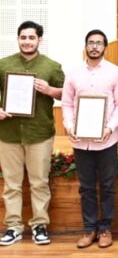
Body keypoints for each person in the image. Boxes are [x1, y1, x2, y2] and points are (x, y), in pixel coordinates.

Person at [0, 21, 64, 247]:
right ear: (18, 39)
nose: (27, 41)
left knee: (39, 183)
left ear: (40, 40)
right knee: (11, 184)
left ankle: (39, 226)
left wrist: (50, 90)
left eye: (31, 37)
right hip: (8, 134)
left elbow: (66, 94)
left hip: (40, 134)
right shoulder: (3, 65)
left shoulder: (52, 66)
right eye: (23, 37)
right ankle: (13, 227)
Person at [61, 30, 118, 249]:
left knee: (107, 186)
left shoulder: (115, 72)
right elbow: (67, 103)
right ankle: (89, 229)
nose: (94, 46)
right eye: (91, 43)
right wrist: (69, 126)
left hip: (106, 139)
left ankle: (105, 228)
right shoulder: (73, 72)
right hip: (81, 141)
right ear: (85, 46)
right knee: (86, 187)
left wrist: (110, 127)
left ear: (105, 47)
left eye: (99, 43)